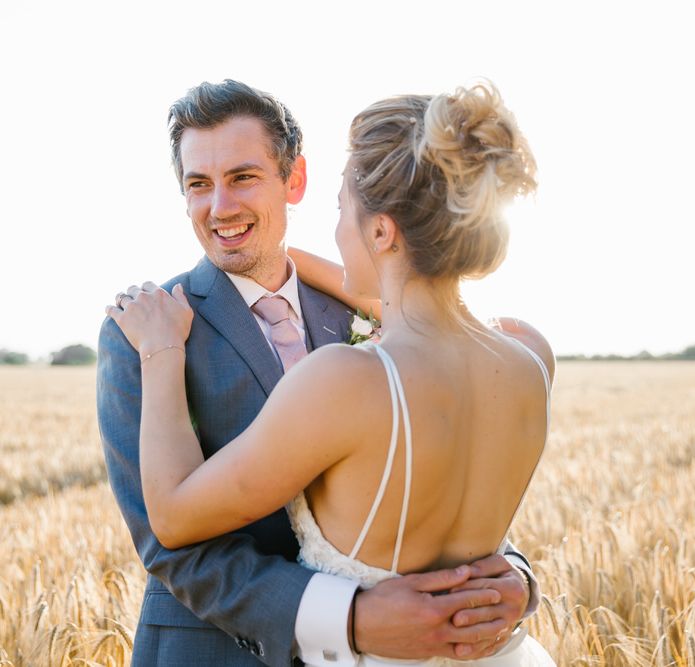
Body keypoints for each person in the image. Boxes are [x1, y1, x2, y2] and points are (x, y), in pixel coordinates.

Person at [102, 80, 554, 666]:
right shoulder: (143, 329)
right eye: (197, 185)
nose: (220, 207)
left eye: (242, 177)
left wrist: (515, 576)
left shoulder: (358, 339)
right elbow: (169, 545)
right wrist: (350, 618)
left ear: (295, 181)